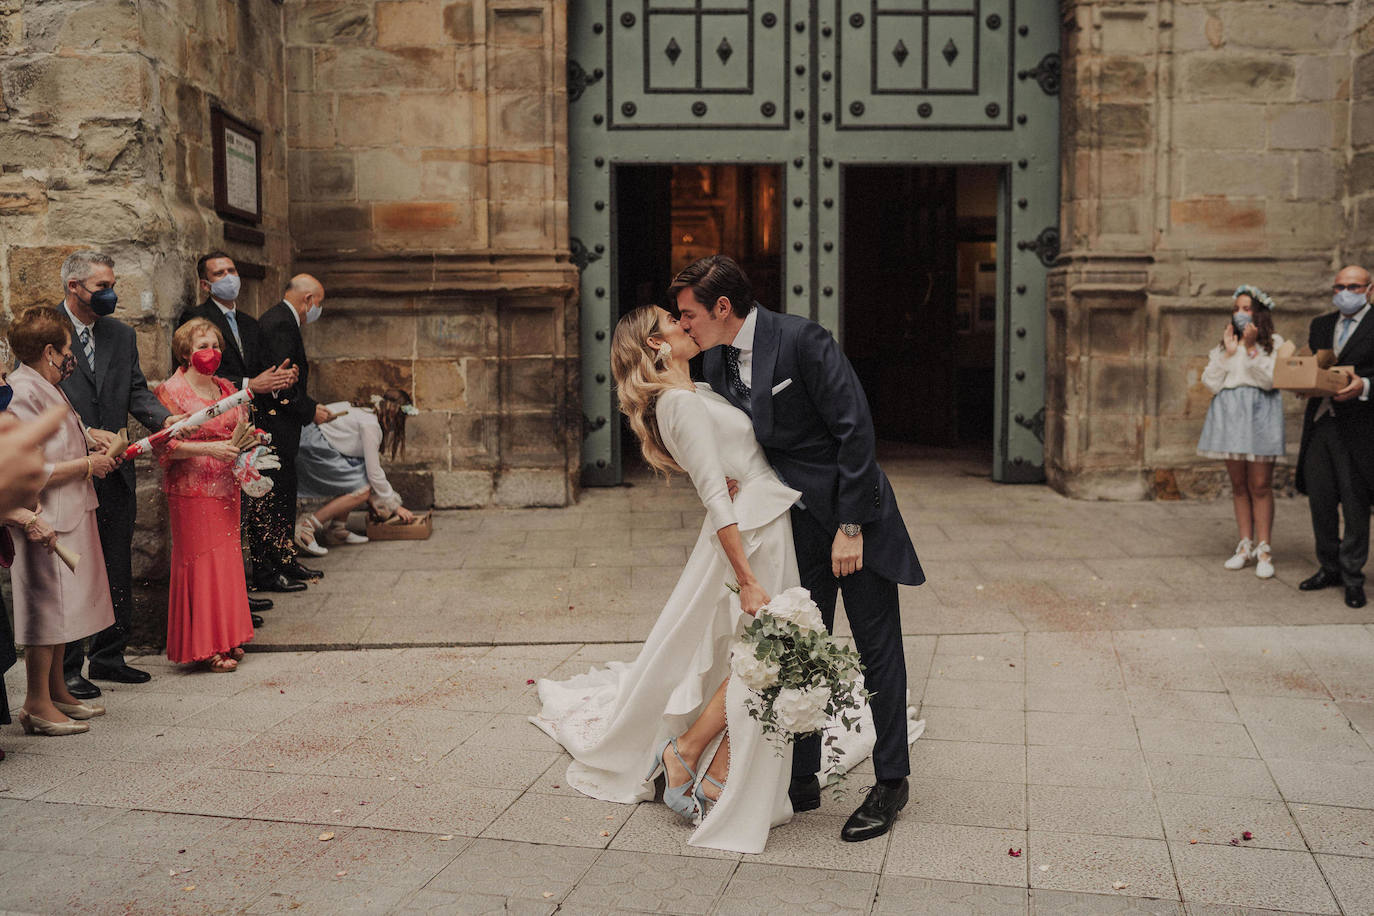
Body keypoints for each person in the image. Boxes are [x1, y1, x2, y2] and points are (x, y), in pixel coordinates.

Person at [532, 304, 808, 854]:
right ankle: (687, 752)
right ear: (656, 346)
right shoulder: (679, 403)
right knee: (769, 650)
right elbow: (713, 496)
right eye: (673, 322)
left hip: (763, 516)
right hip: (749, 535)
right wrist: (747, 577)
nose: (687, 325)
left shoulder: (696, 392)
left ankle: (705, 762)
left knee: (765, 653)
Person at [677, 254, 923, 843]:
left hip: (850, 517)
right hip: (792, 523)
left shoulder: (802, 339)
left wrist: (852, 525)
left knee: (875, 647)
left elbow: (855, 429)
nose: (683, 326)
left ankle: (892, 781)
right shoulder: (714, 357)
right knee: (799, 645)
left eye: (688, 315)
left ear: (722, 308)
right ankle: (804, 775)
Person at [57, 251, 178, 699]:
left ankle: (109, 656)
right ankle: (67, 666)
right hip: (69, 471)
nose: (111, 294)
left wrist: (162, 420)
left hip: (116, 470)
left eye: (112, 284)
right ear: (74, 287)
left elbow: (135, 390)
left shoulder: (121, 334)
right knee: (71, 571)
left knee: (115, 564)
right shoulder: (47, 332)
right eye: (101, 287)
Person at [3, 307, 120, 735]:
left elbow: (64, 432)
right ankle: (35, 702)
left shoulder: (45, 383)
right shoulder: (21, 390)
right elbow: (35, 466)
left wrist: (90, 436)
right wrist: (88, 465)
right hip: (42, 512)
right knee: (45, 610)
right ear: (50, 351)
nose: (71, 358)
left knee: (65, 608)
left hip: (68, 508)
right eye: (67, 350)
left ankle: (56, 691)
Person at [177, 251, 299, 614]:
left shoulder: (248, 322)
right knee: (229, 515)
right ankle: (234, 594)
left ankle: (264, 569)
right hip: (217, 428)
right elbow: (203, 373)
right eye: (220, 272)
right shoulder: (196, 320)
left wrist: (278, 381)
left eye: (232, 270)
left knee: (257, 500)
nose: (229, 276)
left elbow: (261, 369)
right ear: (205, 283)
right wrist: (250, 383)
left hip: (251, 423)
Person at [154, 319, 258, 672]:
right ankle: (205, 645)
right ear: (185, 352)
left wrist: (249, 446)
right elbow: (164, 449)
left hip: (227, 486)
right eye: (201, 346)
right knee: (202, 564)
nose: (209, 352)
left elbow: (242, 428)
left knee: (227, 562)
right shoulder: (171, 392)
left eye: (214, 345)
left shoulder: (227, 387)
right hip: (192, 490)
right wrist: (212, 449)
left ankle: (228, 636)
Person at [1296, 265, 1374, 610]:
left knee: (1355, 504)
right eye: (1340, 286)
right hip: (1321, 423)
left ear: (1369, 289)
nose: (1346, 292)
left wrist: (1366, 385)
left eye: (1354, 287)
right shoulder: (1321, 325)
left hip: (1360, 427)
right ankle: (1329, 568)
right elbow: (1315, 367)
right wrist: (1301, 383)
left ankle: (1353, 577)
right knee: (1321, 500)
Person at [1198, 285, 1286, 579]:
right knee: (1238, 485)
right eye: (1236, 309)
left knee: (1260, 484)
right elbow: (1210, 382)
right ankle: (1244, 545)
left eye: (1246, 308)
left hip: (1259, 412)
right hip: (1229, 413)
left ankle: (1264, 548)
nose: (1239, 314)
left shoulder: (1273, 343)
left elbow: (1271, 380)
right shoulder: (1225, 345)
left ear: (1258, 312)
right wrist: (1229, 353)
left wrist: (1250, 348)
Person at [252, 275, 332, 590]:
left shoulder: (281, 319)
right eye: (319, 303)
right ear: (308, 299)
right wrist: (310, 410)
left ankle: (285, 561)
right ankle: (270, 571)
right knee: (274, 498)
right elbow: (280, 384)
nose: (317, 309)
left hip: (282, 426)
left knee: (285, 495)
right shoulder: (281, 323)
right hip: (274, 427)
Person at [293, 389, 419, 555]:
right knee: (361, 490)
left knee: (357, 475)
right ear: (394, 415)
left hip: (312, 440)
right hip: (313, 446)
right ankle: (306, 527)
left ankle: (337, 529)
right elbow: (374, 472)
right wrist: (395, 506)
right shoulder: (371, 425)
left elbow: (365, 468)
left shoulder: (366, 412)